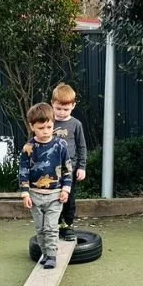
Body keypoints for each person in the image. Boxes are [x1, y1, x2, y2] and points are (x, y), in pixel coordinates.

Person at [19, 102, 72, 269]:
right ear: (32, 126)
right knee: (40, 229)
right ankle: (44, 253)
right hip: (34, 195)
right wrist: (25, 193)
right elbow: (23, 170)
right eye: (41, 128)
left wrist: (66, 189)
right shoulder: (28, 148)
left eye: (49, 127)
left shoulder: (60, 145)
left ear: (53, 124)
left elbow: (67, 169)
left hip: (55, 194)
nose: (46, 131)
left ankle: (52, 256)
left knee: (50, 227)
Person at [52, 83, 88, 241]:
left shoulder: (76, 125)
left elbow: (82, 147)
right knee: (53, 199)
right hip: (51, 170)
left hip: (70, 170)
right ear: (52, 103)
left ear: (73, 106)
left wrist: (82, 167)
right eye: (58, 108)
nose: (61, 112)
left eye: (65, 109)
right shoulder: (48, 123)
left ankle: (68, 225)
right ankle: (56, 225)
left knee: (69, 199)